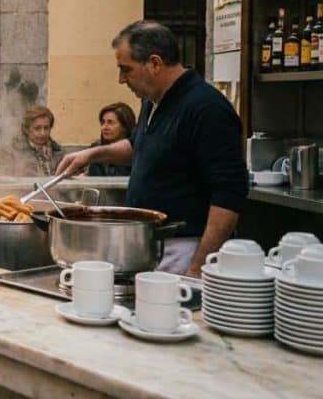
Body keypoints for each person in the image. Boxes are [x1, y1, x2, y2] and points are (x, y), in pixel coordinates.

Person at [57, 21, 248, 276]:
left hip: (184, 250)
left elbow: (228, 195)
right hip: (149, 246)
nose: (121, 79)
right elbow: (140, 148)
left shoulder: (207, 109)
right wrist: (93, 154)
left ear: (155, 63)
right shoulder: (153, 100)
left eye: (126, 69)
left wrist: (197, 268)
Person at [0, 105, 64, 177]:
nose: (42, 133)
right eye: (37, 128)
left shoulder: (58, 152)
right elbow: (2, 181)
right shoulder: (10, 152)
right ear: (26, 129)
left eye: (46, 128)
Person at [86, 102, 136, 177]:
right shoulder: (97, 149)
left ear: (124, 127)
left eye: (110, 123)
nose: (105, 127)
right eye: (103, 122)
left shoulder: (137, 150)